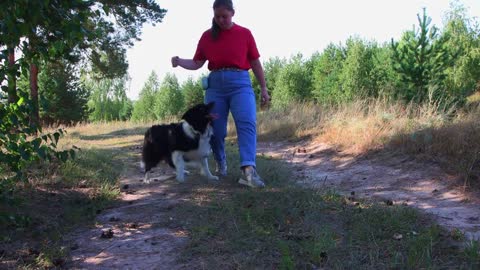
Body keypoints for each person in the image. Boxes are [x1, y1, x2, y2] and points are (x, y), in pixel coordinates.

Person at [171, 0, 270, 188]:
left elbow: (255, 62)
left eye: (224, 16)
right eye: (217, 17)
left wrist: (264, 88)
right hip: (215, 86)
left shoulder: (245, 33)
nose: (221, 20)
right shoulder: (207, 37)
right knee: (215, 130)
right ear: (213, 15)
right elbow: (197, 62)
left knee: (247, 123)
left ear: (233, 13)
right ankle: (220, 161)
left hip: (241, 83)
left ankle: (248, 171)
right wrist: (179, 61)